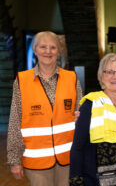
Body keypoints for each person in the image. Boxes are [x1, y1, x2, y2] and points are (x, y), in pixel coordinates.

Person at [7, 31, 83, 186]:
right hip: (36, 163)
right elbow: (15, 121)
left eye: (53, 47)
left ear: (59, 51)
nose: (48, 51)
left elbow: (81, 117)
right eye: (43, 47)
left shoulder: (72, 78)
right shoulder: (22, 81)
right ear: (35, 50)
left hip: (68, 159)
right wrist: (14, 159)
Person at [69, 53, 116, 186]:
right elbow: (78, 147)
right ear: (101, 76)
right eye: (110, 72)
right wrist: (76, 180)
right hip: (97, 179)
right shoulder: (91, 104)